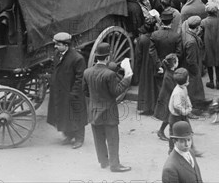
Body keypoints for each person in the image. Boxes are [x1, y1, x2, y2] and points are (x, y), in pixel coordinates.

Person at [83, 42, 133, 173]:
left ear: (97, 57)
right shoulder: (109, 74)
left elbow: (85, 92)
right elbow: (117, 91)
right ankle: (115, 165)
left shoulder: (87, 72)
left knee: (98, 138)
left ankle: (103, 162)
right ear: (107, 57)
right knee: (112, 139)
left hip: (93, 110)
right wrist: (127, 77)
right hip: (108, 112)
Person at [47, 32, 87, 149]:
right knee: (65, 115)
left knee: (77, 116)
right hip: (61, 92)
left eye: (57, 44)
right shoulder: (58, 54)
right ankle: (69, 136)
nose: (55, 46)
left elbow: (80, 78)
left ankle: (79, 139)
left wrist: (74, 93)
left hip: (73, 93)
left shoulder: (77, 59)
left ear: (66, 45)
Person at [180, 16, 208, 111]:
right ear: (197, 28)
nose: (200, 28)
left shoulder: (187, 34)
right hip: (192, 70)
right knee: (194, 90)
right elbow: (191, 61)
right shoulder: (191, 42)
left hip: (191, 68)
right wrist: (197, 71)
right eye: (199, 27)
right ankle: (195, 108)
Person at [136, 17, 159, 115]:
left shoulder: (142, 39)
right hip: (155, 63)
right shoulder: (157, 37)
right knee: (155, 86)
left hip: (145, 65)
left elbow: (138, 55)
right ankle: (156, 106)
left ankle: (146, 107)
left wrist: (138, 66)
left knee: (146, 85)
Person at [168, 68, 193, 153]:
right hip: (175, 117)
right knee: (174, 135)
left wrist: (189, 105)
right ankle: (172, 151)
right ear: (186, 80)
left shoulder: (184, 88)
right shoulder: (177, 92)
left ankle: (191, 149)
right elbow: (177, 106)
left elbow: (187, 97)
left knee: (187, 130)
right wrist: (185, 111)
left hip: (182, 115)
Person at [154, 53, 179, 142]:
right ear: (174, 63)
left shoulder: (170, 72)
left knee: (169, 117)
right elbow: (172, 88)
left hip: (169, 97)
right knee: (168, 117)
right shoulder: (168, 76)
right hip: (167, 99)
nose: (178, 62)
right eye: (177, 61)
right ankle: (161, 132)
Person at [201, 3, 219, 89]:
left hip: (207, 46)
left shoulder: (203, 22)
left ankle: (211, 81)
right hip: (218, 45)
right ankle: (218, 81)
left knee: (209, 64)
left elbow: (200, 34)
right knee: (218, 64)